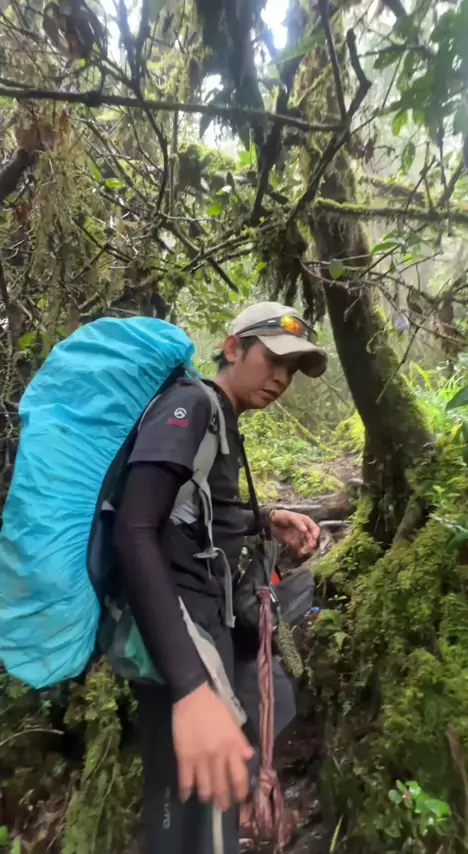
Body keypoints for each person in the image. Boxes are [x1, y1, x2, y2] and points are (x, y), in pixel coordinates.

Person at [113, 301, 328, 854]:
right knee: (192, 819)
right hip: (179, 640)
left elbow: (198, 513)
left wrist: (267, 519)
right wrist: (191, 689)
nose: (281, 378)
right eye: (273, 360)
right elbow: (134, 530)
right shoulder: (191, 405)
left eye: (291, 369)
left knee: (211, 810)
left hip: (206, 631)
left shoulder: (220, 420)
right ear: (233, 348)